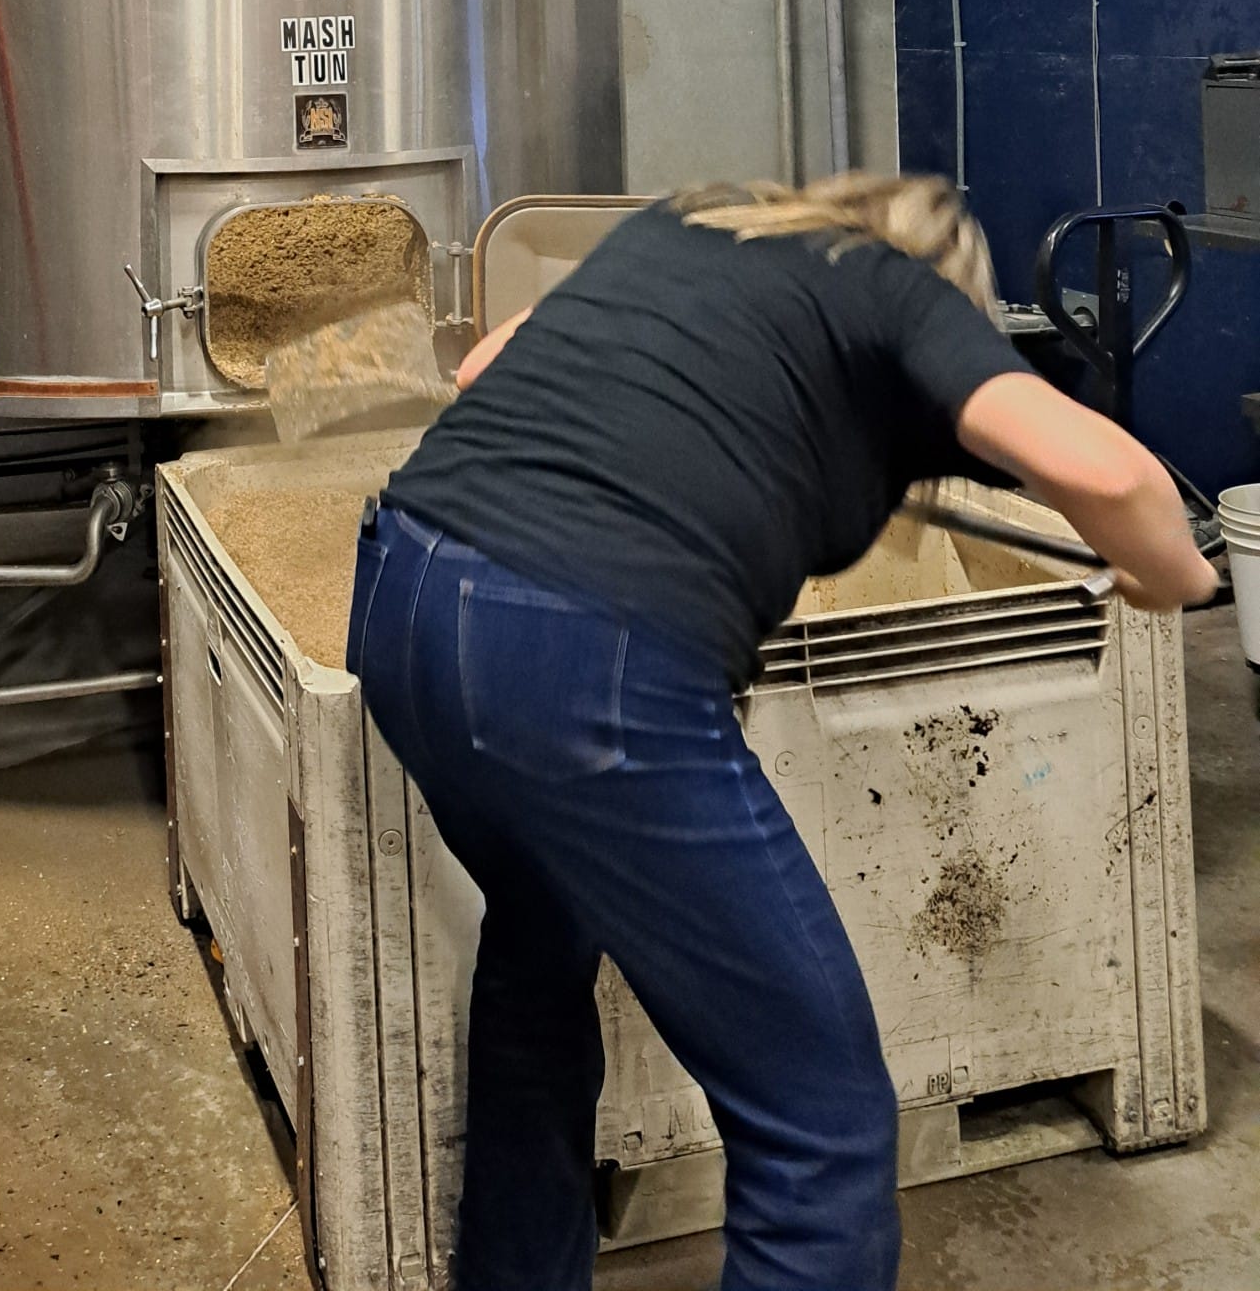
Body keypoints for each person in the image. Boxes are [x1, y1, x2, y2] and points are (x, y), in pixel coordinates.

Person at [350, 173, 1219, 1291]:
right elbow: (1107, 470)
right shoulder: (901, 293)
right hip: (585, 660)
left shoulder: (682, 227)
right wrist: (1171, 576)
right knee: (819, 1124)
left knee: (535, 958)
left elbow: (482, 365)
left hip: (400, 595)